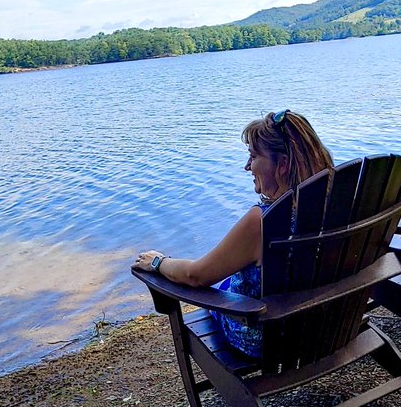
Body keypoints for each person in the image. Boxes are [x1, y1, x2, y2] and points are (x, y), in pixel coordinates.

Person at [132, 109, 334, 357]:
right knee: (229, 277)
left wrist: (158, 262)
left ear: (282, 164)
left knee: (218, 284)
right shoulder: (338, 202)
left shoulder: (262, 222)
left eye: (253, 156)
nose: (247, 167)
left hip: (271, 340)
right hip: (326, 324)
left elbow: (195, 276)